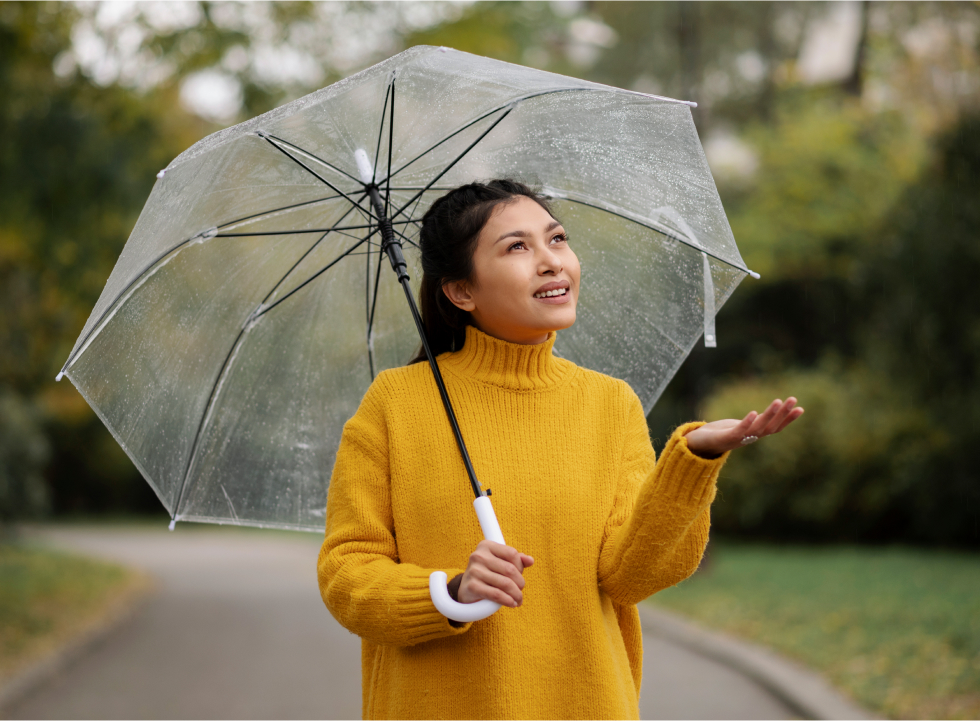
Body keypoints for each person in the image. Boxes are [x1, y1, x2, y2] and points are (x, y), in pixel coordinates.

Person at [317, 180, 802, 719]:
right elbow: (347, 573)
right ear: (460, 291)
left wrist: (694, 461)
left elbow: (631, 575)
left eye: (557, 239)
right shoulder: (395, 403)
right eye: (517, 247)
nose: (551, 262)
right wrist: (449, 589)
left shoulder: (609, 404)